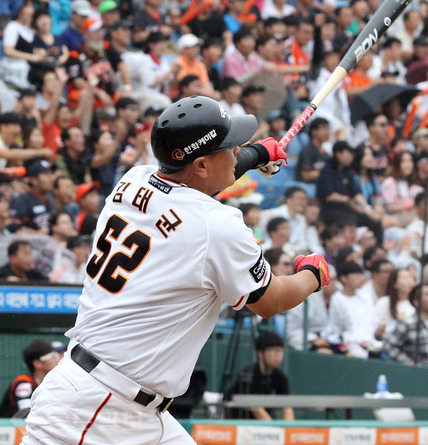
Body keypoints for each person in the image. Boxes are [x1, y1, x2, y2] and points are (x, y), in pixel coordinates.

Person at [20, 97, 329, 445]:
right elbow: (271, 301)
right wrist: (312, 275)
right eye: (230, 147)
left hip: (117, 399)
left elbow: (194, 185)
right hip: (97, 409)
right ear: (200, 164)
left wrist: (256, 154)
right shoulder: (217, 225)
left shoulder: (133, 179)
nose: (236, 150)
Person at [225, 331, 295, 420]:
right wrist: (275, 427)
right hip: (242, 424)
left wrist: (289, 427)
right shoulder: (248, 375)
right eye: (273, 350)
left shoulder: (280, 378)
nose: (278, 355)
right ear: (260, 354)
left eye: (280, 351)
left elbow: (287, 406)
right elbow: (256, 409)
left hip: (265, 425)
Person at [382, 286, 428, 367]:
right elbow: (388, 345)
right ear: (416, 302)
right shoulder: (408, 323)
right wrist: (406, 362)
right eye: (427, 294)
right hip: (418, 372)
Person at [0, 340, 61, 417]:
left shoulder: (51, 384)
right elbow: (25, 413)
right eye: (52, 356)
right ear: (37, 364)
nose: (58, 360)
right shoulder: (23, 382)